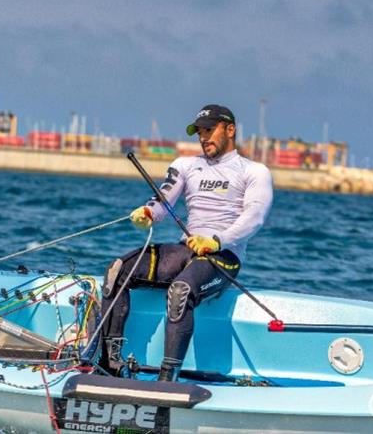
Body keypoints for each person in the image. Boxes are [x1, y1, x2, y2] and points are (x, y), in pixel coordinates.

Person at [99, 104, 273, 382]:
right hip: (187, 249)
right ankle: (109, 363)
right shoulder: (185, 165)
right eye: (200, 132)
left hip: (223, 256)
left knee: (181, 291)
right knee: (117, 271)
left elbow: (255, 217)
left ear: (230, 130)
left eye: (209, 130)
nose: (204, 137)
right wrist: (148, 213)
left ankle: (168, 377)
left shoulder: (254, 171)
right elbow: (163, 201)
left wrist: (217, 241)